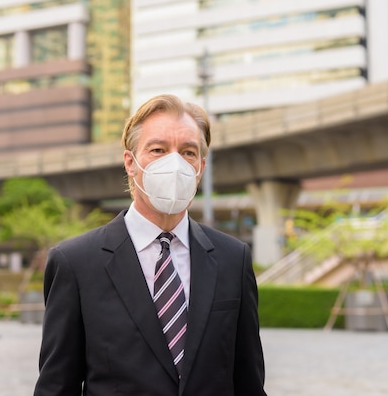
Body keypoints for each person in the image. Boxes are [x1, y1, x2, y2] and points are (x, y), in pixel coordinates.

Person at [33, 94, 267, 396]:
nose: (175, 163)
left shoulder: (233, 259)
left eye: (188, 152)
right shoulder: (75, 263)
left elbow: (248, 382)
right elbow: (56, 387)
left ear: (201, 167)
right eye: (158, 150)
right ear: (131, 163)